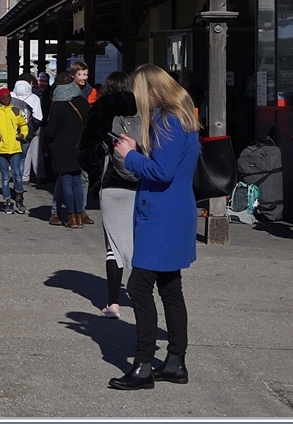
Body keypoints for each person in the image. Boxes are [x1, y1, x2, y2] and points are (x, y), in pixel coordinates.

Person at [107, 65, 200, 391]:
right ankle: (175, 360)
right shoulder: (180, 117)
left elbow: (161, 172)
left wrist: (130, 155)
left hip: (162, 216)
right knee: (170, 288)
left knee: (139, 287)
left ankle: (143, 363)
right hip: (173, 213)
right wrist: (141, 148)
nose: (136, 97)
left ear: (153, 90)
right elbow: (168, 164)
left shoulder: (168, 119)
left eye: (139, 91)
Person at [76, 70, 141, 317]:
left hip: (112, 184)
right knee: (139, 242)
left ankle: (113, 303)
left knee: (113, 245)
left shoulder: (102, 108)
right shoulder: (145, 107)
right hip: (142, 181)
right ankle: (139, 294)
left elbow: (84, 150)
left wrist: (96, 179)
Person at [44, 72, 90, 227]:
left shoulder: (57, 105)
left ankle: (71, 216)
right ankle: (79, 215)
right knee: (77, 180)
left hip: (61, 147)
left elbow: (50, 131)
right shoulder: (82, 102)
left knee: (65, 180)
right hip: (79, 146)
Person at [0, 87, 29, 214]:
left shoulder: (15, 111)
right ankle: (8, 202)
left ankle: (19, 197)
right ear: (0, 99)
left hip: (15, 147)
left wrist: (22, 135)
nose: (7, 99)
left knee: (18, 175)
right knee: (5, 177)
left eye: (8, 97)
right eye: (4, 98)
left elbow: (23, 125)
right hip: (2, 149)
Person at [12, 79, 45, 184]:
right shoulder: (34, 97)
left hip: (17, 129)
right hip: (32, 128)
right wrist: (33, 127)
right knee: (36, 152)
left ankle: (24, 176)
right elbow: (38, 117)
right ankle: (40, 174)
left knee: (22, 154)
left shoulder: (11, 97)